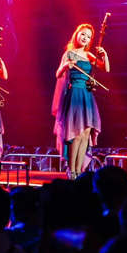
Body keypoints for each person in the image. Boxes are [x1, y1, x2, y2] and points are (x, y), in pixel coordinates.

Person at [52, 24, 109, 179]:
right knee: (76, 133)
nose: (85, 38)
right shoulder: (69, 53)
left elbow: (106, 68)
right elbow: (58, 74)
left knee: (86, 133)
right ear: (77, 35)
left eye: (89, 36)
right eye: (83, 34)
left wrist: (104, 55)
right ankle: (72, 170)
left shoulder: (89, 55)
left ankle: (79, 170)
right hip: (75, 94)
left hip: (87, 95)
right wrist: (66, 65)